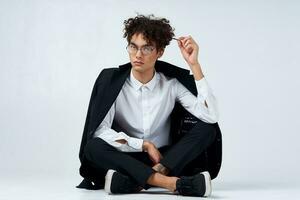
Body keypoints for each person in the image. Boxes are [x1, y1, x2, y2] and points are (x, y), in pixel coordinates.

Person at [77, 14, 220, 197]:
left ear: (159, 52)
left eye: (147, 48)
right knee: (93, 147)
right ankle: (171, 183)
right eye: (133, 47)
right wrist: (143, 145)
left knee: (208, 129)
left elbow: (211, 116)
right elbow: (100, 130)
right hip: (127, 156)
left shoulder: (171, 84)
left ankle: (135, 182)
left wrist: (194, 65)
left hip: (167, 159)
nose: (138, 55)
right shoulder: (113, 83)